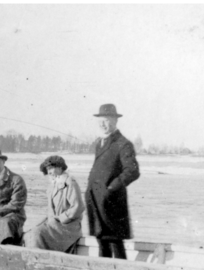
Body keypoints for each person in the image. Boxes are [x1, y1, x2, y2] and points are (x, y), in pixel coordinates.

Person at [85, 104, 140, 259]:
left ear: (115, 121)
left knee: (115, 241)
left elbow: (132, 171)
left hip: (112, 201)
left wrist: (112, 187)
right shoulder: (99, 143)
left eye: (107, 120)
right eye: (100, 120)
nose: (102, 124)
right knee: (101, 239)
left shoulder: (123, 144)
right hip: (95, 199)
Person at [24, 156, 84, 252]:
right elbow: (50, 212)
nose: (49, 172)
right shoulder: (53, 185)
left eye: (51, 168)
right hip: (55, 225)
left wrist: (60, 218)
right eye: (47, 169)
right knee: (30, 233)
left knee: (37, 233)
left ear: (60, 167)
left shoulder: (70, 182)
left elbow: (78, 207)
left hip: (68, 227)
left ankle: (39, 260)